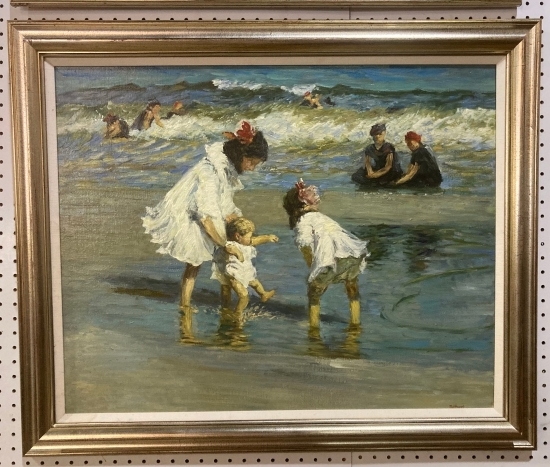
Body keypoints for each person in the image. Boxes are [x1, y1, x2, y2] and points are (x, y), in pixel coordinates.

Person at [142, 121, 269, 313]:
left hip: (206, 213)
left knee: (217, 257)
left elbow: (223, 199)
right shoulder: (210, 172)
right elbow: (206, 216)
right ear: (240, 154)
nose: (251, 168)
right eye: (251, 162)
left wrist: (234, 219)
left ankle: (224, 300)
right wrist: (224, 244)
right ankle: (185, 304)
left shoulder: (224, 168)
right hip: (191, 216)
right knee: (195, 261)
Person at [282, 179, 369, 329]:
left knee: (314, 292)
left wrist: (314, 270)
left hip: (332, 259)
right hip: (352, 254)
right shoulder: (322, 217)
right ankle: (355, 324)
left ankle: (314, 329)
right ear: (305, 204)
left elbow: (305, 246)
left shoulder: (302, 222)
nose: (317, 200)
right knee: (352, 287)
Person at [211, 217, 278, 315]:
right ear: (238, 236)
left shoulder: (245, 242)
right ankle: (237, 313)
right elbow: (229, 249)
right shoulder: (231, 244)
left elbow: (257, 240)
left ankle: (264, 294)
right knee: (244, 296)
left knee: (256, 283)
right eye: (249, 236)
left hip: (245, 271)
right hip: (234, 276)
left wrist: (268, 238)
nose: (251, 239)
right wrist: (238, 253)